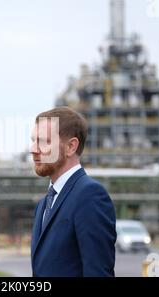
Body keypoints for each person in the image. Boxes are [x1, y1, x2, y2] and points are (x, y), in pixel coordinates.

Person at [30, 106, 116, 277]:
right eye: (33, 140)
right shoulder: (43, 204)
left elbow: (98, 273)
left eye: (44, 142)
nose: (33, 149)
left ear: (71, 147)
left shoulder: (90, 195)